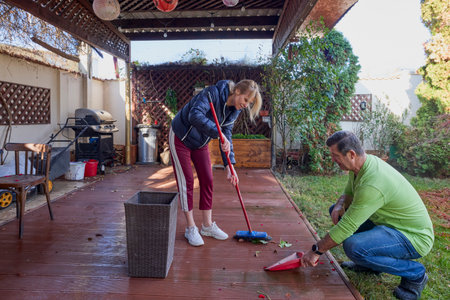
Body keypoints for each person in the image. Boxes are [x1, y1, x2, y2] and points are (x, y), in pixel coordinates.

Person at [300, 131, 434, 300]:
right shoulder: (360, 166)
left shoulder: (373, 183)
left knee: (353, 246)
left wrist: (316, 251)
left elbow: (348, 226)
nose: (333, 160)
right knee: (337, 211)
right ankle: (370, 266)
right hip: (388, 226)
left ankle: (415, 274)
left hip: (413, 237)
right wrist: (340, 205)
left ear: (351, 154)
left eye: (335, 156)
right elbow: (349, 192)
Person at [169, 79, 262, 247]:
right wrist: (218, 134)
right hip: (181, 137)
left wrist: (229, 165)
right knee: (187, 181)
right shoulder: (211, 94)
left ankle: (207, 226)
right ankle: (190, 228)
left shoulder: (234, 110)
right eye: (246, 100)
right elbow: (194, 115)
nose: (246, 105)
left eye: (250, 103)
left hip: (201, 142)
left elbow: (226, 134)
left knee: (208, 179)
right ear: (238, 92)